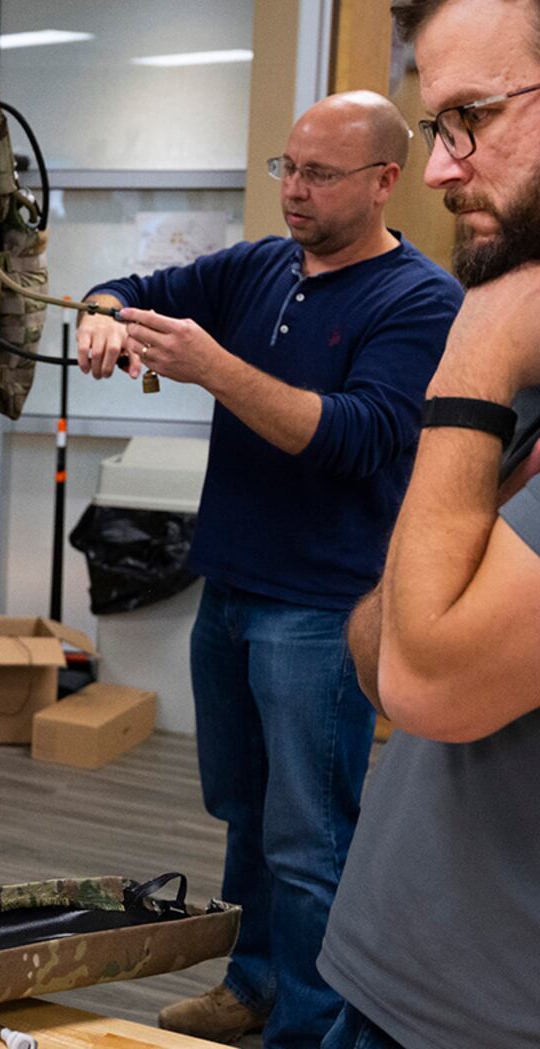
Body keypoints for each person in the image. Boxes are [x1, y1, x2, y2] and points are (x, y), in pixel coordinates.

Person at [76, 92, 463, 1046]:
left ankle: (311, 1027)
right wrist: (103, 314)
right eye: (287, 168)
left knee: (309, 840)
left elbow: (354, 437)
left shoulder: (421, 301)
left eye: (320, 174)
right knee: (243, 812)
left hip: (322, 608)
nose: (294, 189)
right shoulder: (259, 266)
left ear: (385, 180)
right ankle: (253, 985)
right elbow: (130, 282)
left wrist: (212, 367)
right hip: (232, 588)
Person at [318, 2, 540, 1046]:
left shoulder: (497, 335)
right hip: (398, 977)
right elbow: (382, 643)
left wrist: (478, 348)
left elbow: (420, 676)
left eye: (473, 118)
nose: (444, 169)